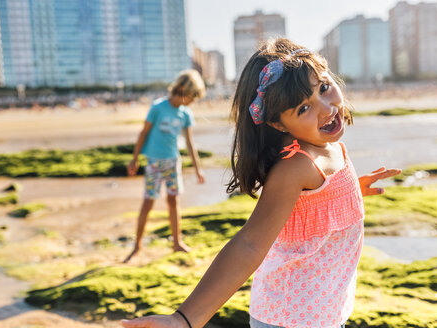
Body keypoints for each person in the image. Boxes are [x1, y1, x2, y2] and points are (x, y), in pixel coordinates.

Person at [121, 38, 401, 327]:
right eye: (303, 108)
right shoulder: (295, 167)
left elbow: (314, 204)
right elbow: (250, 244)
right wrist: (184, 319)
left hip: (326, 313)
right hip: (290, 317)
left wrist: (349, 190)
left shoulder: (330, 148)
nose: (325, 108)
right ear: (278, 124)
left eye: (324, 88)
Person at [123, 69, 206, 263]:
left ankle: (177, 242)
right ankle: (137, 245)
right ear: (184, 91)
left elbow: (190, 143)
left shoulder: (186, 114)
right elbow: (143, 134)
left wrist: (197, 168)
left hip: (172, 161)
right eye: (193, 97)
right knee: (148, 202)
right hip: (154, 161)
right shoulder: (158, 108)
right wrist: (134, 159)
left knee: (173, 201)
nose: (193, 101)